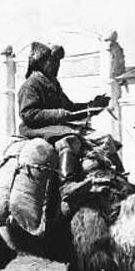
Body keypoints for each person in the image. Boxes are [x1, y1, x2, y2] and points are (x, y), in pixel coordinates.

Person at [17, 42, 110, 201]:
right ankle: (67, 184)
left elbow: (70, 108)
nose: (56, 65)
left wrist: (91, 107)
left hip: (54, 126)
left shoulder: (53, 84)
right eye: (52, 61)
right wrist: (59, 114)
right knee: (69, 139)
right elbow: (28, 114)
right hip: (34, 127)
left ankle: (117, 178)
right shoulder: (31, 85)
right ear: (40, 63)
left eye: (57, 62)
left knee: (105, 140)